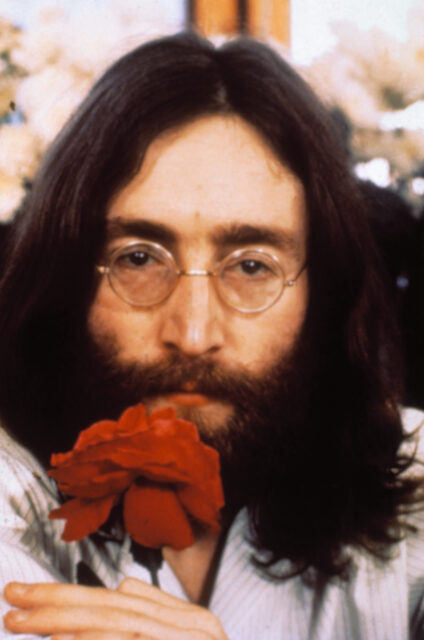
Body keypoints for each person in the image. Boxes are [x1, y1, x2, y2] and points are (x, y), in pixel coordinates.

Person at [0, 32, 423, 640]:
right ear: (66, 276)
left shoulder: (414, 484)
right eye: (138, 259)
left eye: (252, 267)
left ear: (323, 294)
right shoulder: (13, 483)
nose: (194, 334)